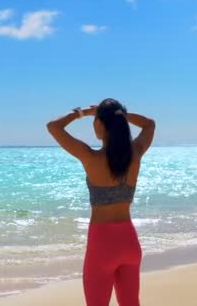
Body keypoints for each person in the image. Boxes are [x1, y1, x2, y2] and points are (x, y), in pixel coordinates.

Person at [46, 98, 155, 306]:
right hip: (130, 242)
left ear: (99, 124)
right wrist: (121, 116)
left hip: (102, 245)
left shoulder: (91, 158)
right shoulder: (136, 153)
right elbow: (150, 124)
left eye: (95, 120)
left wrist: (81, 113)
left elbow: (53, 126)